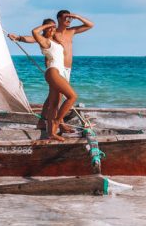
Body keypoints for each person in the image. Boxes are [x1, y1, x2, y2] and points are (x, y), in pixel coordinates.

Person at [8, 10, 94, 140]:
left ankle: (48, 124)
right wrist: (19, 38)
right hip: (55, 69)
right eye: (66, 17)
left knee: (54, 100)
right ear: (59, 19)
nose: (69, 20)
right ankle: (58, 122)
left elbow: (90, 25)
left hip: (66, 69)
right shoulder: (53, 33)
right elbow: (36, 38)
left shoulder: (71, 31)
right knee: (60, 99)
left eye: (70, 18)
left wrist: (76, 16)